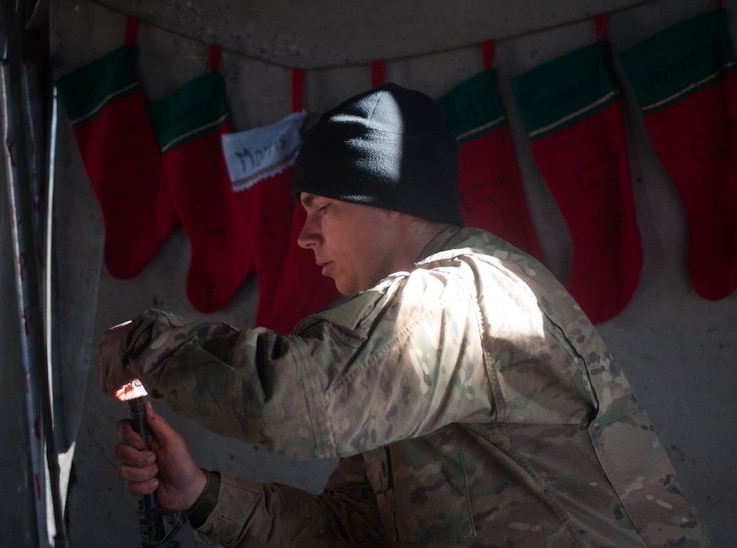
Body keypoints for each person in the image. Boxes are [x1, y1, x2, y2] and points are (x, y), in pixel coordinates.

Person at [99, 83, 711, 546]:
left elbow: (297, 402)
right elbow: (357, 530)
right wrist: (203, 494)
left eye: (323, 206)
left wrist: (146, 346)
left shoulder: (462, 297)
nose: (305, 236)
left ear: (388, 200)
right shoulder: (403, 346)